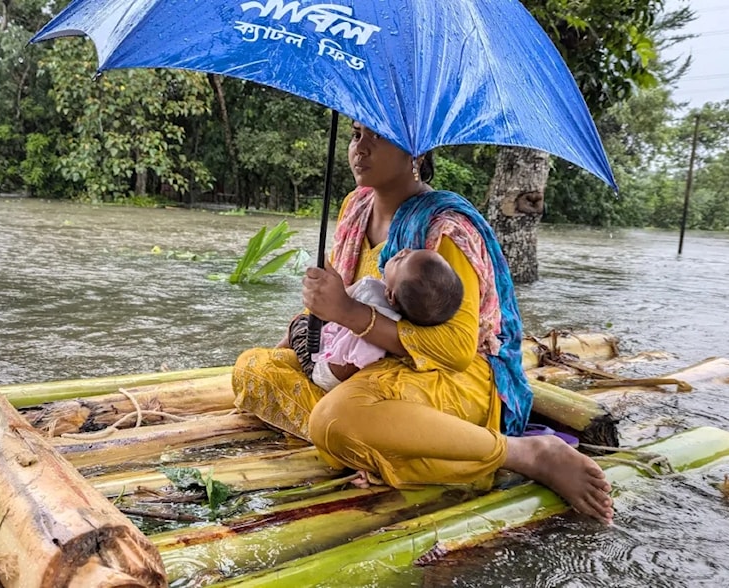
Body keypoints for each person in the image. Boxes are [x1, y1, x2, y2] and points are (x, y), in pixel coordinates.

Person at [232, 121, 614, 524]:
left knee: (335, 420)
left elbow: (456, 349)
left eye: (377, 137)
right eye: (356, 135)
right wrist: (304, 331)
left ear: (415, 153)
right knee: (253, 368)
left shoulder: (445, 229)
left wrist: (349, 313)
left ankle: (522, 454)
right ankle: (386, 446)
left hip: (445, 377)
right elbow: (331, 310)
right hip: (363, 368)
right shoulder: (353, 208)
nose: (359, 149)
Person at [288, 248, 464, 392]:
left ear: (390, 295)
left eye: (401, 260)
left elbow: (326, 311)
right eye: (411, 251)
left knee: (299, 322)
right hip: (337, 376)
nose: (404, 250)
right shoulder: (401, 324)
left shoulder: (370, 289)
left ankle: (275, 355)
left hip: (322, 372)